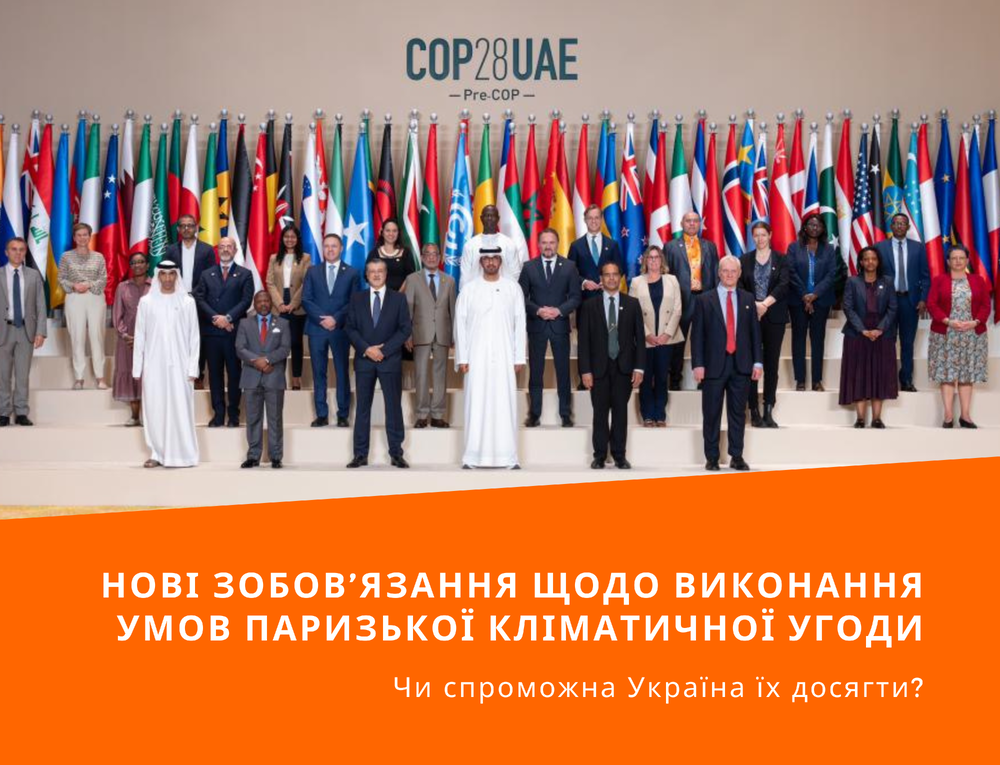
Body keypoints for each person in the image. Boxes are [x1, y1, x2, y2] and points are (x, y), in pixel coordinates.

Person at [455, 248, 527, 469]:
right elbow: (460, 325)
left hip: (505, 357)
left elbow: (520, 323)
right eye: (486, 259)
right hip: (476, 358)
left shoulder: (513, 289)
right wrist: (462, 357)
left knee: (504, 404)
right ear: (480, 262)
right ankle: (472, 456)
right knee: (476, 404)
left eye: (494, 258)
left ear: (500, 261)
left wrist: (518, 357)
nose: (490, 262)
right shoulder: (469, 290)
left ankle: (508, 457)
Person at [691, 255, 763, 471]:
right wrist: (698, 364)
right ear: (719, 273)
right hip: (713, 366)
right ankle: (712, 457)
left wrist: (758, 362)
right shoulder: (705, 300)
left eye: (733, 271)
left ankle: (736, 456)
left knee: (738, 414)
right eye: (725, 271)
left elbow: (755, 333)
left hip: (742, 365)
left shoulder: (748, 299)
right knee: (711, 414)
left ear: (739, 274)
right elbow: (697, 336)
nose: (729, 275)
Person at [345, 259, 412, 468]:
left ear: (386, 274)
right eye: (372, 271)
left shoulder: (398, 299)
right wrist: (367, 349)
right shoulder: (357, 298)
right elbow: (350, 328)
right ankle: (360, 454)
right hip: (364, 361)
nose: (376, 274)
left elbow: (405, 329)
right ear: (366, 275)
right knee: (362, 409)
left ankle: (396, 453)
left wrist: (383, 351)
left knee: (393, 408)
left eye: (380, 271)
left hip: (389, 360)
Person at [132, 261, 200, 468]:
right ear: (158, 276)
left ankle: (184, 454)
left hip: (181, 366)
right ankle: (157, 453)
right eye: (164, 274)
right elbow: (140, 336)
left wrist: (193, 368)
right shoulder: (146, 302)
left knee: (181, 408)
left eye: (172, 274)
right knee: (155, 408)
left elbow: (194, 337)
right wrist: (137, 368)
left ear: (176, 276)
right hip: (153, 365)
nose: (168, 278)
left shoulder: (187, 302)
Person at [578, 260, 645, 469]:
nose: (611, 278)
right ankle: (599, 455)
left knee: (620, 413)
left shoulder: (632, 304)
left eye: (615, 274)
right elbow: (584, 342)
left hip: (624, 368)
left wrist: (639, 367)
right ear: (601, 278)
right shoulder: (589, 306)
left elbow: (639, 339)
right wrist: (585, 370)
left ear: (620, 277)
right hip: (598, 369)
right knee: (599, 413)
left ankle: (619, 456)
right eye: (607, 275)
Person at [519, 228, 581, 427]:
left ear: (557, 244)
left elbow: (576, 297)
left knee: (563, 373)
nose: (548, 246)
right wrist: (538, 310)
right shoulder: (528, 267)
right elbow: (521, 297)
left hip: (560, 326)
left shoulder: (569, 266)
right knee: (535, 373)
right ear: (538, 245)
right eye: (544, 242)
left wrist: (559, 311)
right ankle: (534, 414)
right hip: (537, 326)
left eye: (551, 242)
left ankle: (565, 414)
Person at [927, 245, 991, 428]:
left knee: (966, 375)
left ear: (967, 260)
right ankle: (948, 416)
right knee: (947, 375)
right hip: (945, 335)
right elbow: (932, 304)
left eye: (961, 258)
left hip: (972, 336)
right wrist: (947, 321)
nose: (957, 261)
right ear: (948, 261)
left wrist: (975, 322)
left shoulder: (978, 280)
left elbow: (986, 305)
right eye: (954, 258)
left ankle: (965, 416)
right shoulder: (939, 280)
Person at [193, 236, 254, 427]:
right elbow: (199, 298)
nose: (225, 249)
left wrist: (228, 318)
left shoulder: (245, 274)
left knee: (235, 374)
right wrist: (216, 318)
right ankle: (218, 414)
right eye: (222, 246)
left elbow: (246, 300)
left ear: (235, 250)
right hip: (212, 333)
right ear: (217, 250)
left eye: (229, 246)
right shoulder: (206, 274)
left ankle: (234, 414)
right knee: (215, 375)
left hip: (234, 332)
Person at [302, 233, 361, 428]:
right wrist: (323, 319)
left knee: (342, 372)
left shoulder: (352, 273)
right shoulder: (312, 271)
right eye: (326, 246)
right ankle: (321, 414)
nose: (330, 249)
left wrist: (335, 318)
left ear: (341, 248)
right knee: (318, 373)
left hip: (340, 329)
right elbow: (306, 299)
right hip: (317, 329)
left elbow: (354, 301)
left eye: (334, 246)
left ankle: (343, 414)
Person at [839, 247, 899, 428]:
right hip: (857, 335)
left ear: (878, 262)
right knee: (859, 375)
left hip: (882, 335)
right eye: (866, 259)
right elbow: (848, 307)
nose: (870, 262)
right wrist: (863, 330)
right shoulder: (852, 281)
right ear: (861, 262)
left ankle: (877, 418)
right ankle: (860, 418)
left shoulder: (887, 282)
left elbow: (893, 308)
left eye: (873, 258)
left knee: (879, 374)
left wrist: (880, 329)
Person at [739, 222, 790, 427]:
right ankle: (753, 410)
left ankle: (768, 408)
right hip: (750, 316)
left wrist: (765, 304)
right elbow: (740, 286)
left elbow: (784, 284)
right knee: (752, 363)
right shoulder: (744, 260)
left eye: (763, 235)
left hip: (774, 317)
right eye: (756, 235)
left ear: (770, 235)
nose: (760, 239)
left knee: (771, 364)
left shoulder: (782, 259)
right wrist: (755, 305)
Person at [875, 213, 930, 392]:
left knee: (907, 343)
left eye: (903, 223)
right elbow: (874, 275)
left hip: (910, 301)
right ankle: (887, 380)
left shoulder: (918, 248)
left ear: (908, 227)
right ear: (891, 226)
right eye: (896, 223)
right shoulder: (880, 247)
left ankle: (906, 380)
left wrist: (923, 299)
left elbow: (925, 276)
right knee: (887, 342)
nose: (899, 226)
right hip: (887, 302)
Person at [665, 211, 719, 390]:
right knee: (677, 342)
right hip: (681, 301)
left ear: (700, 224)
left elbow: (716, 274)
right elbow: (667, 276)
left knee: (704, 340)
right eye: (688, 221)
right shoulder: (671, 247)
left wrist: (716, 300)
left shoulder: (709, 246)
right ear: (682, 223)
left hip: (705, 299)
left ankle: (704, 379)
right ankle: (674, 379)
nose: (692, 224)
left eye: (695, 221)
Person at [629, 246, 683, 426]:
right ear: (645, 260)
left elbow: (677, 309)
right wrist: (646, 334)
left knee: (661, 377)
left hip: (667, 338)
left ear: (661, 260)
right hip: (645, 338)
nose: (653, 260)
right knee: (645, 377)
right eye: (650, 257)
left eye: (656, 257)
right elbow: (633, 311)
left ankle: (660, 414)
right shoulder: (636, 282)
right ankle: (647, 415)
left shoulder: (672, 280)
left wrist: (667, 334)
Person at [236, 290, 291, 468]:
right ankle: (253, 456)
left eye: (266, 300)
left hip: (274, 377)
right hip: (251, 378)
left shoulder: (282, 323)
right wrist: (257, 362)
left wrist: (267, 360)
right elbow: (240, 348)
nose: (263, 304)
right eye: (259, 301)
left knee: (275, 419)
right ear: (255, 303)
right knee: (253, 419)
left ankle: (276, 456)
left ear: (271, 302)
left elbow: (285, 349)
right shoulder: (244, 323)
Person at [404, 243, 456, 428]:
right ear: (422, 257)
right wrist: (407, 334)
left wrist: (454, 335)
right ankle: (421, 414)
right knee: (421, 374)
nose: (431, 257)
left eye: (435, 254)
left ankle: (437, 415)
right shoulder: (412, 279)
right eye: (428, 254)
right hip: (420, 333)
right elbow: (408, 309)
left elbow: (452, 310)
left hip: (443, 333)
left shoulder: (449, 280)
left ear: (440, 257)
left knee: (440, 374)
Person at [787, 213, 837, 391]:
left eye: (818, 225)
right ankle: (800, 380)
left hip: (821, 301)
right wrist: (804, 295)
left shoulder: (829, 249)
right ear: (805, 227)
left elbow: (831, 274)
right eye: (811, 224)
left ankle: (816, 380)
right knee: (798, 340)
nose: (815, 228)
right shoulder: (794, 247)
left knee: (818, 340)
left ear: (823, 229)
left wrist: (814, 295)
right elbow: (791, 272)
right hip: (797, 300)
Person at [166, 212, 216, 389]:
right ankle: (178, 374)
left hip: (199, 300)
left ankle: (198, 375)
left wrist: (194, 294)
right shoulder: (171, 250)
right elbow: (167, 274)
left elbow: (210, 276)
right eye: (183, 226)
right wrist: (180, 294)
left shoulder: (207, 250)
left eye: (190, 225)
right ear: (178, 229)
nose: (187, 228)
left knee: (197, 338)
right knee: (177, 337)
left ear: (196, 228)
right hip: (176, 300)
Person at [0, 238, 46, 426]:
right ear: (6, 252)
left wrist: (40, 331)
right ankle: (3, 412)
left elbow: (40, 305)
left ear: (25, 252)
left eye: (21, 249)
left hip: (26, 330)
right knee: (2, 374)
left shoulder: (33, 275)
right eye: (13, 249)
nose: (17, 253)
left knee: (22, 374)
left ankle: (21, 412)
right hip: (3, 330)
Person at [57, 222, 108, 389]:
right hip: (74, 297)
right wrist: (73, 285)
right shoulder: (66, 257)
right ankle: (79, 378)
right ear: (74, 237)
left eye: (85, 234)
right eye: (78, 235)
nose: (82, 238)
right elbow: (61, 278)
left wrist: (89, 285)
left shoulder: (98, 257)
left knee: (96, 336)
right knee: (77, 337)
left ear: (89, 236)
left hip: (95, 297)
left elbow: (103, 278)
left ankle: (100, 377)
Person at [266, 224, 311, 391]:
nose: (289, 239)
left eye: (293, 236)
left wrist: (293, 303)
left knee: (295, 342)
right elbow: (270, 282)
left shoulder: (305, 258)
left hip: (297, 305)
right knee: (279, 343)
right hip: (279, 304)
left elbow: (307, 283)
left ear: (297, 239)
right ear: (282, 239)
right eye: (286, 236)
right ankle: (279, 378)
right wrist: (279, 303)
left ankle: (296, 379)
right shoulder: (274, 258)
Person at [112, 251, 151, 426]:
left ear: (147, 265)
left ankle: (149, 417)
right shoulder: (122, 287)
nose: (138, 265)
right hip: (127, 341)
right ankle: (135, 416)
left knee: (147, 376)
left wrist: (145, 338)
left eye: (141, 262)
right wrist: (125, 335)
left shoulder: (155, 286)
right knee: (131, 374)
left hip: (151, 340)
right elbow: (117, 315)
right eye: (134, 263)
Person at [460, 204, 528, 283]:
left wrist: (507, 289)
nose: (489, 218)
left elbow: (515, 274)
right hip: (475, 289)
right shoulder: (470, 245)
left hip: (504, 289)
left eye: (492, 216)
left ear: (498, 219)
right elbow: (465, 276)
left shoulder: (509, 244)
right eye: (487, 216)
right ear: (481, 218)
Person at [367, 219, 416, 292]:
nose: (391, 234)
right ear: (382, 232)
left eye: (394, 231)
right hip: (379, 295)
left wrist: (398, 295)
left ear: (398, 233)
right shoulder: (374, 253)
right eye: (388, 230)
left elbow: (411, 276)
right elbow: (367, 275)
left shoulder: (406, 253)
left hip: (402, 295)